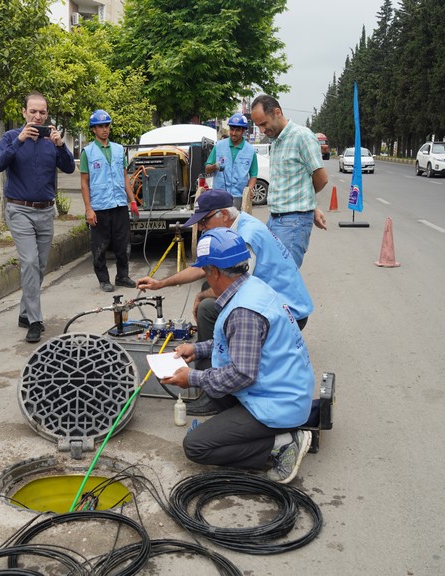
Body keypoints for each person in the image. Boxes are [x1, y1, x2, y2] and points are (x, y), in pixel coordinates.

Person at [135, 188, 313, 415]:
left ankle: (213, 395)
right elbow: (203, 267)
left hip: (288, 312)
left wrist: (201, 297)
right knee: (207, 291)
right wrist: (161, 283)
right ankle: (213, 366)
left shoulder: (246, 236)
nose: (201, 227)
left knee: (208, 308)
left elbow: (234, 283)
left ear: (224, 214)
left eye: (204, 221)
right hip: (273, 302)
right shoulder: (239, 224)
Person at [160, 227, 316, 484]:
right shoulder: (251, 286)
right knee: (211, 376)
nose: (206, 277)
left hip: (279, 404)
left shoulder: (244, 311)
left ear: (215, 272)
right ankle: (247, 428)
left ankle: (281, 443)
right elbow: (235, 343)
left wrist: (192, 378)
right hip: (284, 389)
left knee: (196, 446)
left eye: (205, 271)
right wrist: (196, 349)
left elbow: (242, 374)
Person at [0, 92, 76, 343]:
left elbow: (69, 167)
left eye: (42, 112)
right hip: (20, 210)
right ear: (24, 112)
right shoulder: (11, 137)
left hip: (46, 211)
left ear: (47, 113)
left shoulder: (51, 140)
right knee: (29, 262)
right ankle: (35, 320)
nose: (38, 116)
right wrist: (19, 140)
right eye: (33, 111)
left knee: (39, 266)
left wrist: (60, 145)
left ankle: (24, 313)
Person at [249, 94, 328, 267]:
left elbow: (321, 178)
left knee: (284, 276)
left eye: (264, 124)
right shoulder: (276, 141)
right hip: (275, 219)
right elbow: (294, 181)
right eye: (258, 126)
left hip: (293, 223)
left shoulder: (302, 136)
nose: (262, 130)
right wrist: (311, 206)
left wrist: (306, 206)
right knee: (271, 272)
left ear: (277, 112)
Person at [80, 109, 139, 292]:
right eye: (100, 126)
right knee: (100, 245)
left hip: (119, 204)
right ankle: (103, 279)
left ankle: (122, 276)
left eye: (107, 125)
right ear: (94, 129)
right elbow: (84, 183)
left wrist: (132, 201)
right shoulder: (87, 152)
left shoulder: (119, 150)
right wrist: (88, 209)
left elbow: (124, 177)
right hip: (99, 206)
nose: (105, 129)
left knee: (123, 243)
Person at [205, 112, 257, 213]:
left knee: (237, 221)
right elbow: (207, 169)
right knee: (219, 221)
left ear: (243, 130)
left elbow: (253, 174)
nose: (233, 133)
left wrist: (249, 189)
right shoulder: (219, 146)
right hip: (219, 195)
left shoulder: (250, 150)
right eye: (232, 129)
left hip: (239, 196)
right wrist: (215, 166)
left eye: (237, 130)